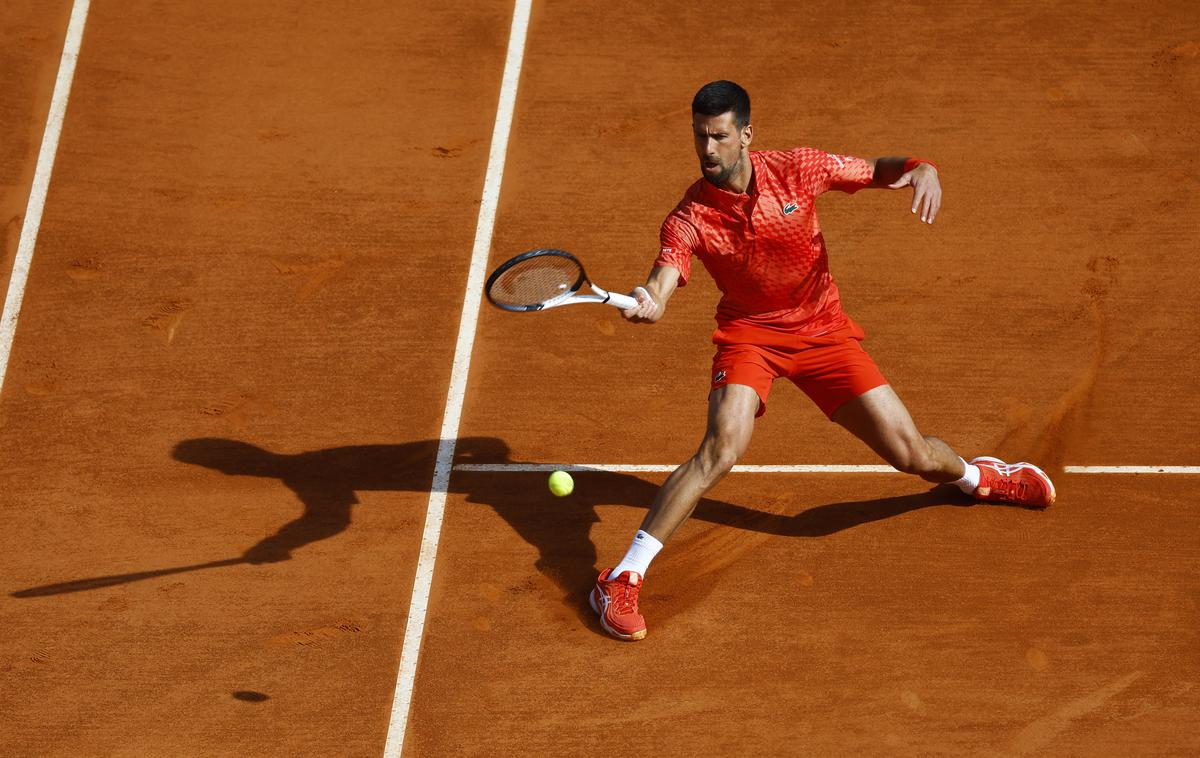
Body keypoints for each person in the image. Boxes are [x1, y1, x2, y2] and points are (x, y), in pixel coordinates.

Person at [589, 80, 1055, 642]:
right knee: (721, 448)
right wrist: (653, 300)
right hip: (750, 338)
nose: (707, 150)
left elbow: (876, 169)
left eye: (718, 137)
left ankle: (978, 477)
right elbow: (666, 272)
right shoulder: (690, 215)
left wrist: (921, 166)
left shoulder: (799, 168)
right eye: (699, 137)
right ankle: (622, 577)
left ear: (746, 135)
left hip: (823, 332)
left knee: (912, 455)